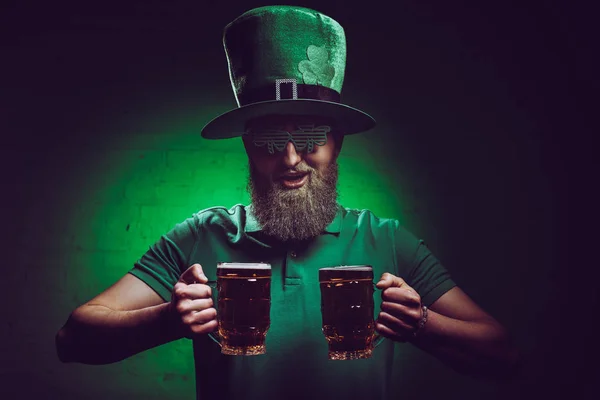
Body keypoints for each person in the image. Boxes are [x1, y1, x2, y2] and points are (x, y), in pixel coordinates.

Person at [56, 5, 519, 400]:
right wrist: (167, 320)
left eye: (311, 136)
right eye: (270, 139)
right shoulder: (201, 236)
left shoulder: (385, 240)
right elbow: (72, 337)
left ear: (337, 143)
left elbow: (503, 355)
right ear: (247, 149)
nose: (292, 159)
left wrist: (422, 324)